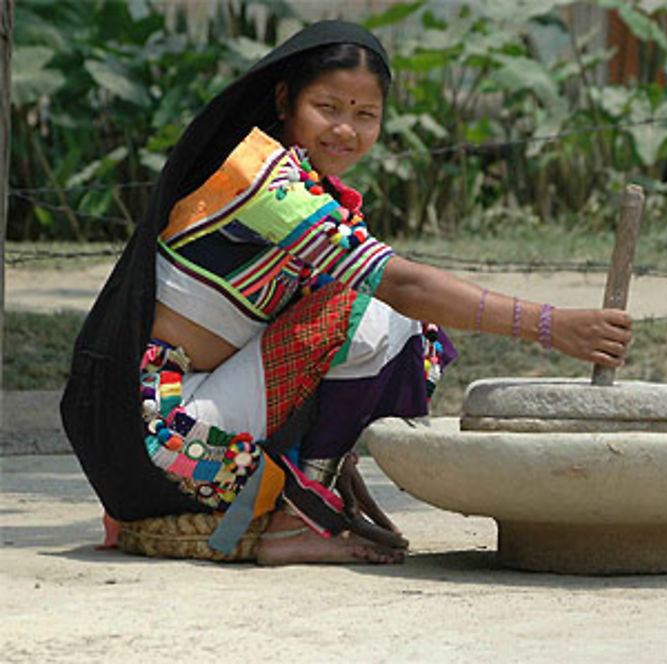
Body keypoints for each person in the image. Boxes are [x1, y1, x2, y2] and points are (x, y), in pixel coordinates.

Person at [61, 20, 631, 566]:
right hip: (163, 439)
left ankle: (308, 495)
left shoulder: (305, 185)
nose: (346, 130)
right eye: (327, 108)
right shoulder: (261, 182)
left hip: (177, 428)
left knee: (393, 323)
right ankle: (295, 520)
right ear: (284, 101)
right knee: (376, 312)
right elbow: (401, 284)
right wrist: (551, 326)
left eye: (365, 115)